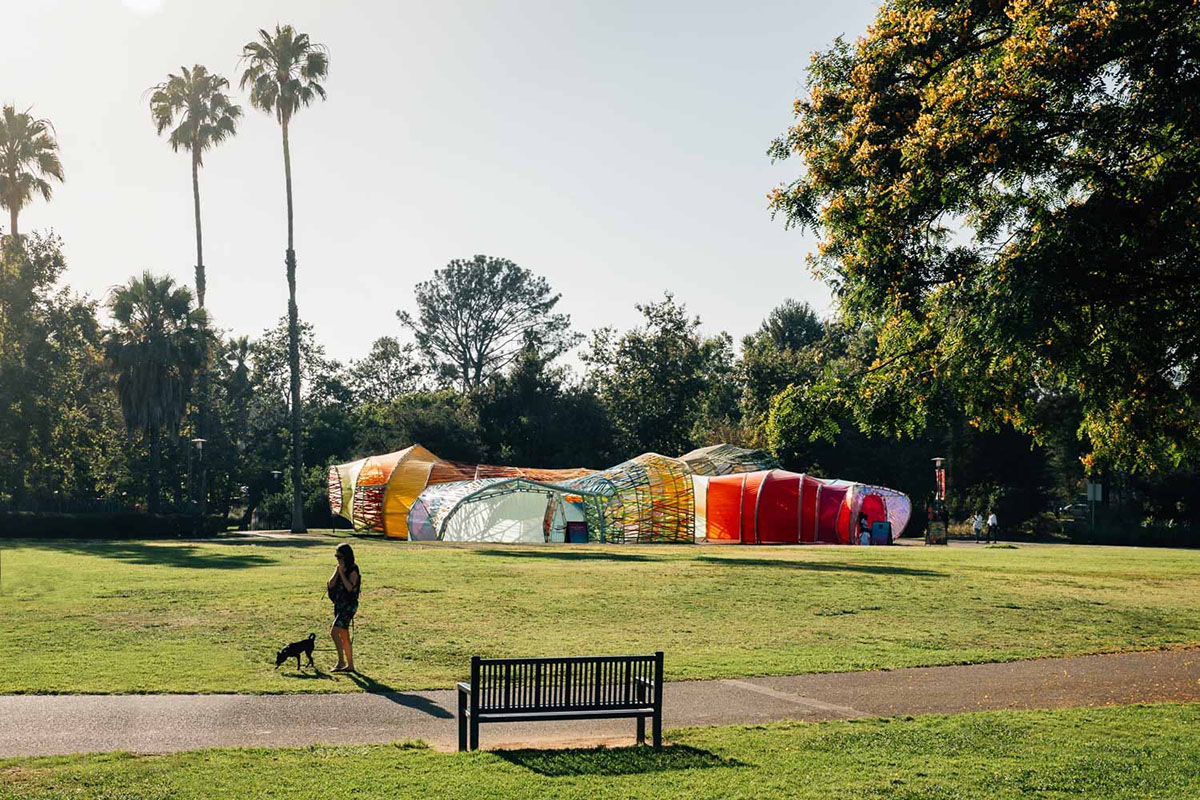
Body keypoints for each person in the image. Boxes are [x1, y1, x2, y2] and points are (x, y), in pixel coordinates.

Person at [327, 543, 361, 673]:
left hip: (349, 605)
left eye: (339, 556)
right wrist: (337, 571)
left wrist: (342, 573)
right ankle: (350, 665)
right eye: (336, 556)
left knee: (334, 631)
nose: (337, 559)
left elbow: (350, 587)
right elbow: (330, 584)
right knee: (344, 634)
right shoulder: (339, 568)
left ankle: (341, 662)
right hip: (339, 604)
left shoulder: (353, 569)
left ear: (346, 556)